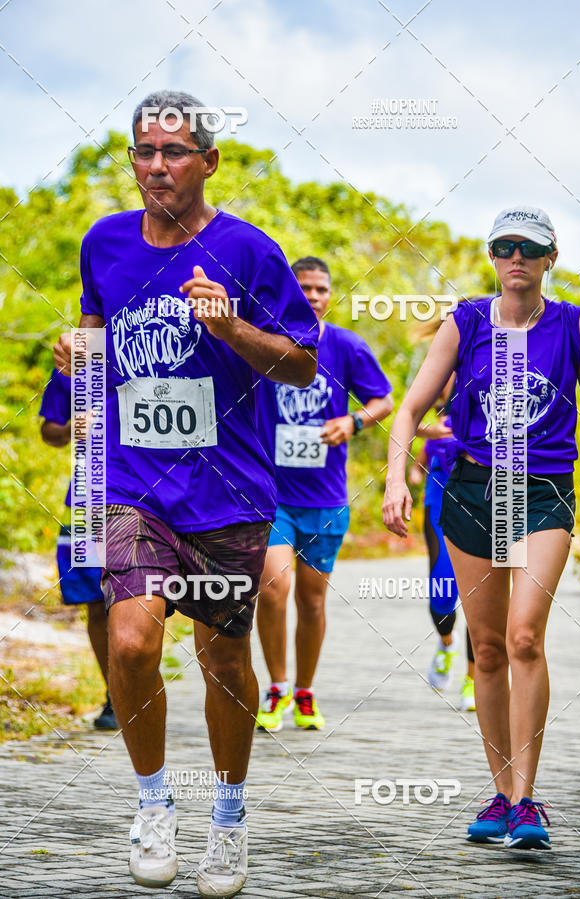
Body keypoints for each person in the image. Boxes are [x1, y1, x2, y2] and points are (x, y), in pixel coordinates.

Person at [53, 90, 318, 896]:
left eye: (172, 152)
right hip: (133, 483)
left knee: (223, 654)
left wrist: (233, 328)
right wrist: (78, 353)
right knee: (131, 642)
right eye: (143, 151)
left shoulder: (251, 252)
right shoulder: (104, 243)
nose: (155, 166)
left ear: (209, 160)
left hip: (228, 489)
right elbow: (103, 331)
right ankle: (153, 801)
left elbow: (302, 363)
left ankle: (229, 817)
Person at [383, 206, 580, 851]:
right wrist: (396, 481)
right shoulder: (466, 322)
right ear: (492, 257)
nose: (515, 258)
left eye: (528, 248)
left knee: (525, 635)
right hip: (476, 488)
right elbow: (409, 410)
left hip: (542, 492)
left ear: (549, 258)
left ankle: (529, 801)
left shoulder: (574, 326)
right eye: (503, 247)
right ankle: (501, 793)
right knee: (486, 648)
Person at [255, 256, 393, 731]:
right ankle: (275, 687)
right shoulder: (265, 343)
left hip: (325, 497)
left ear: (330, 295)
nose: (313, 296)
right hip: (271, 494)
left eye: (320, 289)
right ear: (289, 292)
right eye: (304, 287)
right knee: (273, 588)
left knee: (312, 602)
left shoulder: (346, 346)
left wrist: (352, 421)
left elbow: (385, 400)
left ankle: (305, 691)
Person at [39, 368, 117, 730]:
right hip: (89, 497)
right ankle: (115, 695)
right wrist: (74, 429)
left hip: (155, 498)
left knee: (148, 601)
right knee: (96, 602)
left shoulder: (162, 343)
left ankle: (141, 682)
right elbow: (49, 431)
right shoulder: (75, 362)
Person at [407, 379, 476, 712]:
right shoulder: (435, 403)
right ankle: (446, 643)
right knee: (442, 591)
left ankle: (474, 681)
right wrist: (414, 474)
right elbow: (410, 419)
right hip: (439, 500)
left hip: (482, 499)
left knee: (481, 595)